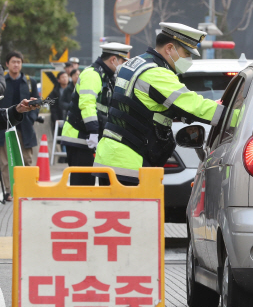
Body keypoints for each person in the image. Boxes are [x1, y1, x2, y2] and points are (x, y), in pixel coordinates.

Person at [94, 22, 225, 185]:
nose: (188, 59)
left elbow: (145, 106)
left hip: (111, 156)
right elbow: (192, 105)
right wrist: (236, 116)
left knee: (112, 211)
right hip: (129, 161)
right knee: (137, 211)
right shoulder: (156, 73)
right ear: (169, 48)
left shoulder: (135, 63)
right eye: (186, 53)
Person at [60, 42, 132, 186]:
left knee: (93, 186)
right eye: (123, 61)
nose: (124, 65)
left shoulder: (107, 76)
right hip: (81, 137)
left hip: (92, 138)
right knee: (83, 185)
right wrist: (93, 131)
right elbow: (87, 104)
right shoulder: (93, 74)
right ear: (113, 60)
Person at [0, 51, 40, 199]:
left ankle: (27, 190)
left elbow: (37, 102)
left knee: (26, 159)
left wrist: (32, 117)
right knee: (5, 162)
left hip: (25, 126)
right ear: (7, 64)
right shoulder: (2, 82)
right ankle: (10, 192)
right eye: (13, 62)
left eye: (19, 62)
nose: (16, 64)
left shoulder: (30, 81)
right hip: (4, 125)